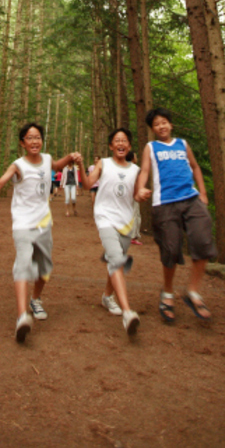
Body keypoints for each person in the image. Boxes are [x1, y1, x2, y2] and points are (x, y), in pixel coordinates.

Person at [0, 122, 80, 342]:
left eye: (37, 137)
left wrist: (71, 157)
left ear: (42, 140)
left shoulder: (48, 159)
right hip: (22, 223)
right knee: (23, 264)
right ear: (22, 143)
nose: (34, 141)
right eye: (29, 138)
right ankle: (22, 316)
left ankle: (36, 298)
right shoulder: (18, 165)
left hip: (44, 223)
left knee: (44, 268)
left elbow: (59, 165)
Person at [137, 107, 217, 324]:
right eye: (156, 124)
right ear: (152, 129)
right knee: (170, 249)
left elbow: (195, 166)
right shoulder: (151, 147)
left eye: (164, 122)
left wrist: (203, 192)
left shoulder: (182, 144)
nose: (161, 126)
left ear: (170, 124)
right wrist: (140, 189)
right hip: (165, 203)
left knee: (202, 240)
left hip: (191, 199)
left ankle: (192, 291)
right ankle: (168, 293)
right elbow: (144, 170)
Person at [78, 128, 142, 336]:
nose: (121, 143)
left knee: (117, 263)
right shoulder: (103, 163)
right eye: (117, 141)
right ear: (111, 146)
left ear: (129, 146)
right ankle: (127, 312)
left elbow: (136, 195)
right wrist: (80, 165)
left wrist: (142, 194)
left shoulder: (136, 170)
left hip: (126, 222)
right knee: (116, 259)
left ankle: (107, 296)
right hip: (105, 218)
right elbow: (88, 185)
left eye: (124, 140)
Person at [126, 151, 143, 246]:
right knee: (135, 214)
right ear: (132, 158)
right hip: (134, 193)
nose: (136, 158)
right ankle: (133, 236)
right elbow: (137, 181)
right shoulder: (136, 168)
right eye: (135, 156)